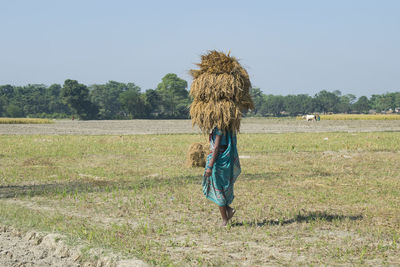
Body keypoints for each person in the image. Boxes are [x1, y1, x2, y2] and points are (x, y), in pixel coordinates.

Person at [203, 127, 241, 226]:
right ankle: (228, 209)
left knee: (218, 190)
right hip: (225, 161)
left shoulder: (219, 130)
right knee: (221, 189)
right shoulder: (228, 129)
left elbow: (216, 148)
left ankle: (225, 219)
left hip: (217, 162)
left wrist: (210, 166)